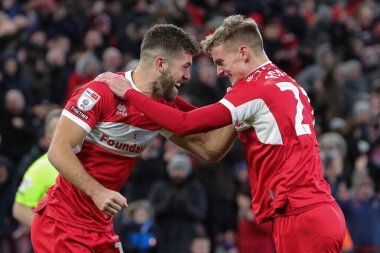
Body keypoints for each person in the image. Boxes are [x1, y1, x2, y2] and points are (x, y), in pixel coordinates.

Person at [96, 15, 346, 252]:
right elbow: (205, 128)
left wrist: (131, 94)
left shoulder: (254, 89)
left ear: (243, 53)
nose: (219, 72)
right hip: (315, 210)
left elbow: (185, 124)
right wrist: (162, 99)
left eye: (220, 62)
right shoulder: (286, 83)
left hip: (300, 215)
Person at [31, 24, 236, 253]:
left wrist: (238, 109)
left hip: (100, 227)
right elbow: (57, 150)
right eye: (185, 67)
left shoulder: (162, 105)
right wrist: (97, 192)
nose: (188, 76)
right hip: (62, 223)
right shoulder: (100, 92)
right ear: (161, 64)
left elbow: (210, 150)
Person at [12, 109, 62, 228]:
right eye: (60, 130)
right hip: (58, 244)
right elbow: (19, 209)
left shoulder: (90, 161)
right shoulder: (40, 168)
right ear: (48, 137)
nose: (67, 133)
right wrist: (47, 234)